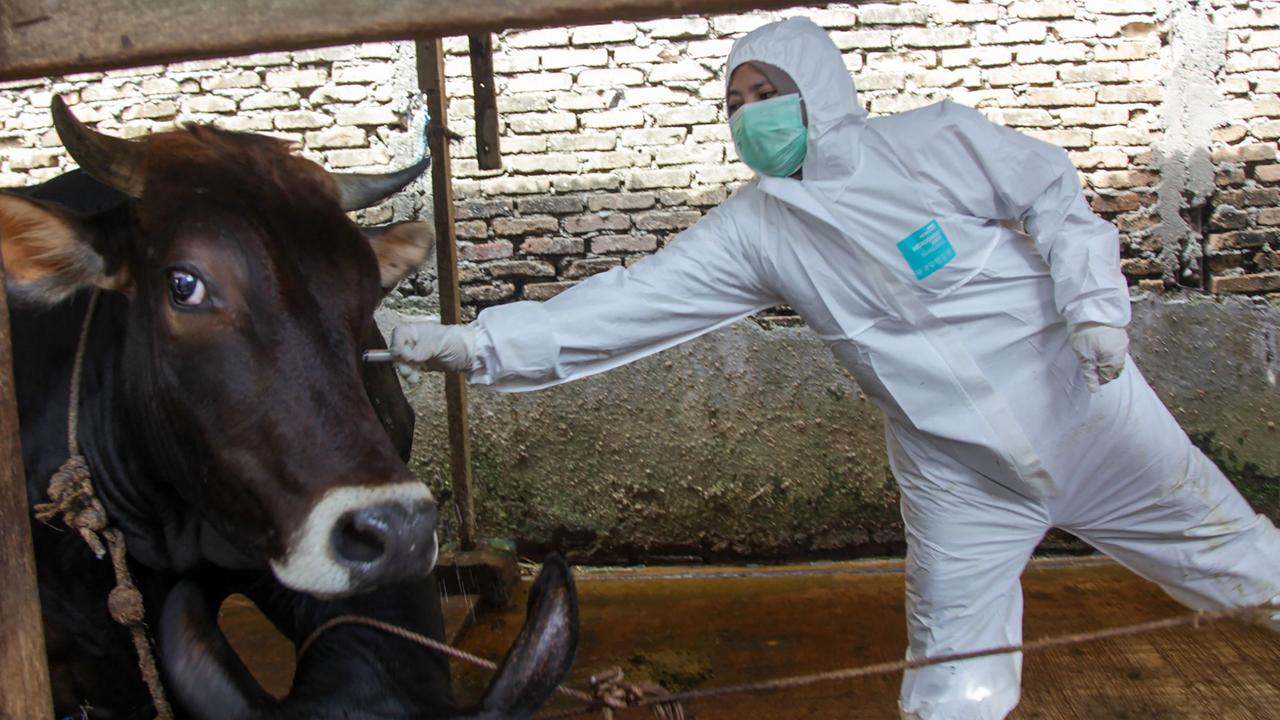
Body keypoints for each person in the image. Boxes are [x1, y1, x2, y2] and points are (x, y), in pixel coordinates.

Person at [392, 17, 1280, 720]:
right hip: (959, 475)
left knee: (1242, 566)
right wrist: (476, 346)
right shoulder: (755, 230)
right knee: (951, 679)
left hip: (1088, 412)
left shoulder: (929, 145)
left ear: (816, 88)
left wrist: (1093, 306)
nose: (748, 114)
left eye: (764, 90)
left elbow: (1051, 192)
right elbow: (630, 303)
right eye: (732, 102)